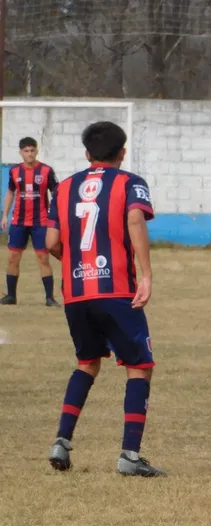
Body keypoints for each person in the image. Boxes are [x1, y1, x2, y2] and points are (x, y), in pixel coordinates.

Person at [46, 121, 165, 477]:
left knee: (87, 363)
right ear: (122, 152)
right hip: (115, 291)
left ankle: (61, 443)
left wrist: (78, 265)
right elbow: (134, 221)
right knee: (139, 366)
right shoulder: (130, 182)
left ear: (87, 154)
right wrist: (146, 275)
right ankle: (129, 455)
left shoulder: (64, 187)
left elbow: (51, 242)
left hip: (77, 293)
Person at [1, 137, 59, 306]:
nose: (29, 154)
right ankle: (11, 296)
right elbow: (11, 192)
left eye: (32, 150)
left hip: (40, 222)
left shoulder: (47, 171)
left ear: (37, 151)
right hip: (18, 222)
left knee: (43, 258)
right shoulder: (14, 171)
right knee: (13, 257)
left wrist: (57, 215)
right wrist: (5, 215)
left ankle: (49, 298)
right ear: (21, 153)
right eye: (26, 151)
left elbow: (56, 193)